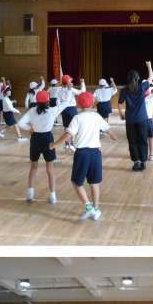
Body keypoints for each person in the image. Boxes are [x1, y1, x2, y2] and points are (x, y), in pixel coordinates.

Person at [54, 91, 117, 221]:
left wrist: (54, 145)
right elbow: (107, 128)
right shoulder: (96, 116)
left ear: (78, 104)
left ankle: (89, 208)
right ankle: (96, 209)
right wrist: (112, 135)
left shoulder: (77, 118)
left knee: (76, 182)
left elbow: (68, 134)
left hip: (82, 154)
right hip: (95, 153)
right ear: (93, 103)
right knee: (94, 183)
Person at [18, 90, 65, 205]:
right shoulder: (52, 110)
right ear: (48, 101)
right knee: (50, 169)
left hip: (36, 139)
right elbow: (66, 103)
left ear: (37, 101)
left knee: (33, 167)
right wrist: (67, 90)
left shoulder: (32, 111)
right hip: (47, 139)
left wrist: (30, 129)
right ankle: (52, 195)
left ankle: (30, 194)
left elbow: (20, 123)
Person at [118, 61, 153, 171]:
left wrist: (121, 114)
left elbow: (120, 104)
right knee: (143, 140)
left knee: (132, 141)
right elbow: (151, 78)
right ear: (138, 78)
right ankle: (143, 162)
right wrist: (149, 66)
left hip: (130, 120)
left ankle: (136, 162)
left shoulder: (124, 90)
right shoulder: (142, 87)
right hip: (142, 119)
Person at [57, 74, 86, 149]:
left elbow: (58, 101)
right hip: (72, 109)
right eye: (70, 81)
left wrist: (60, 109)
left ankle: (67, 143)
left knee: (66, 126)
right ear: (68, 82)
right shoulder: (71, 89)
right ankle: (72, 143)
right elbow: (82, 92)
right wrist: (82, 83)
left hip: (64, 109)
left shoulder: (59, 90)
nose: (71, 82)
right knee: (73, 126)